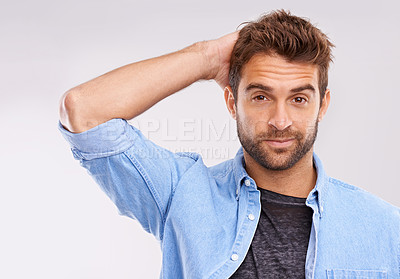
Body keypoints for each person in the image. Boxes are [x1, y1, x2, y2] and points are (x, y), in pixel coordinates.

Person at [58, 10, 400, 279]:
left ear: (322, 106)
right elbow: (84, 111)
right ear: (232, 102)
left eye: (298, 99)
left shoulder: (386, 228)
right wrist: (207, 57)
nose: (280, 120)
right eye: (261, 96)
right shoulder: (182, 194)